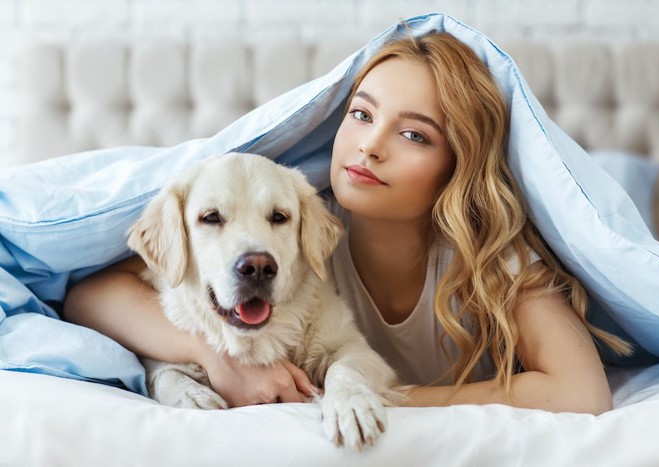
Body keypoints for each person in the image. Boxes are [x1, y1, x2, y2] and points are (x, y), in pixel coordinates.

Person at [63, 32, 630, 414]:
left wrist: (391, 397)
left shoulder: (489, 261)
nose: (370, 145)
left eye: (413, 134)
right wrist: (216, 360)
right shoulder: (292, 227)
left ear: (456, 166)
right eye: (361, 114)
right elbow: (92, 294)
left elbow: (583, 391)